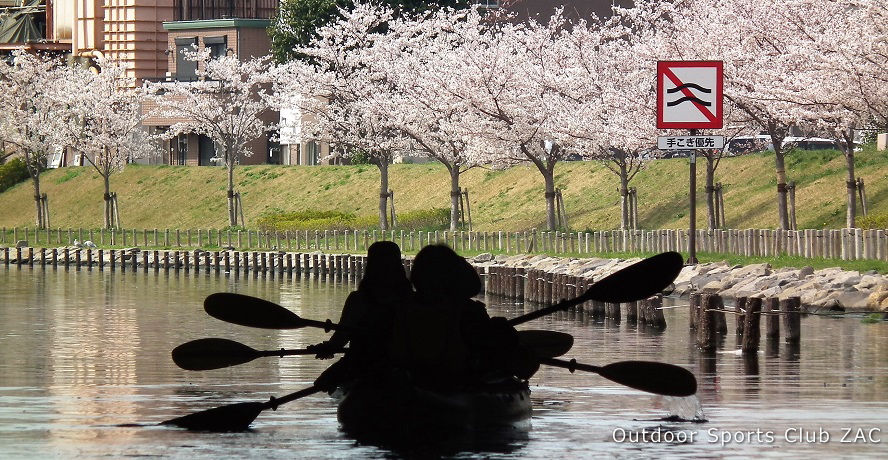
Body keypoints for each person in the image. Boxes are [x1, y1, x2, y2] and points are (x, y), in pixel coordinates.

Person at [389, 244, 539, 389]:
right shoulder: (467, 311)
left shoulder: (398, 307)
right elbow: (499, 344)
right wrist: (501, 328)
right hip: (453, 380)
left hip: (409, 377)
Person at [309, 241, 412, 392]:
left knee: (322, 383)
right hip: (401, 365)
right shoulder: (411, 299)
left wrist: (327, 349)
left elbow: (341, 338)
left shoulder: (359, 299)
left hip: (360, 364)